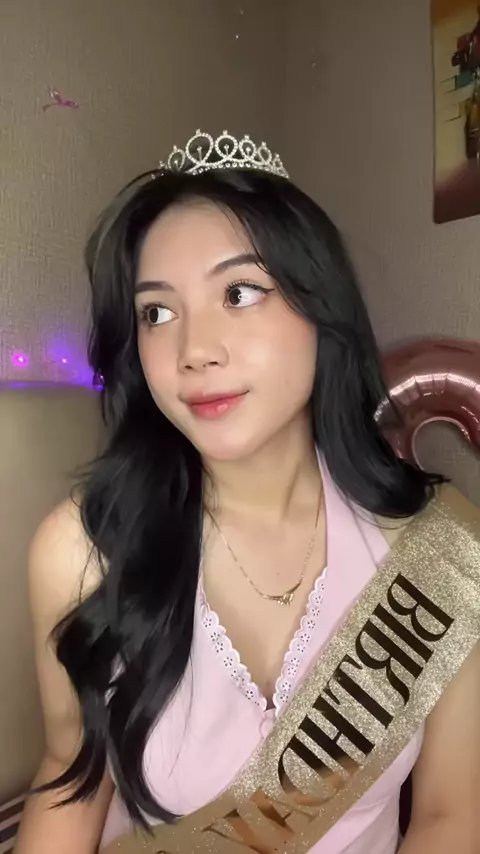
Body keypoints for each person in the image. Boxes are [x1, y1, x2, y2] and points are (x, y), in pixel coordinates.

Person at [14, 131, 480, 854]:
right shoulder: (82, 550)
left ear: (321, 307)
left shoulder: (439, 547)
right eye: (156, 313)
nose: (194, 350)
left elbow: (452, 814)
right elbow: (69, 775)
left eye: (239, 293)